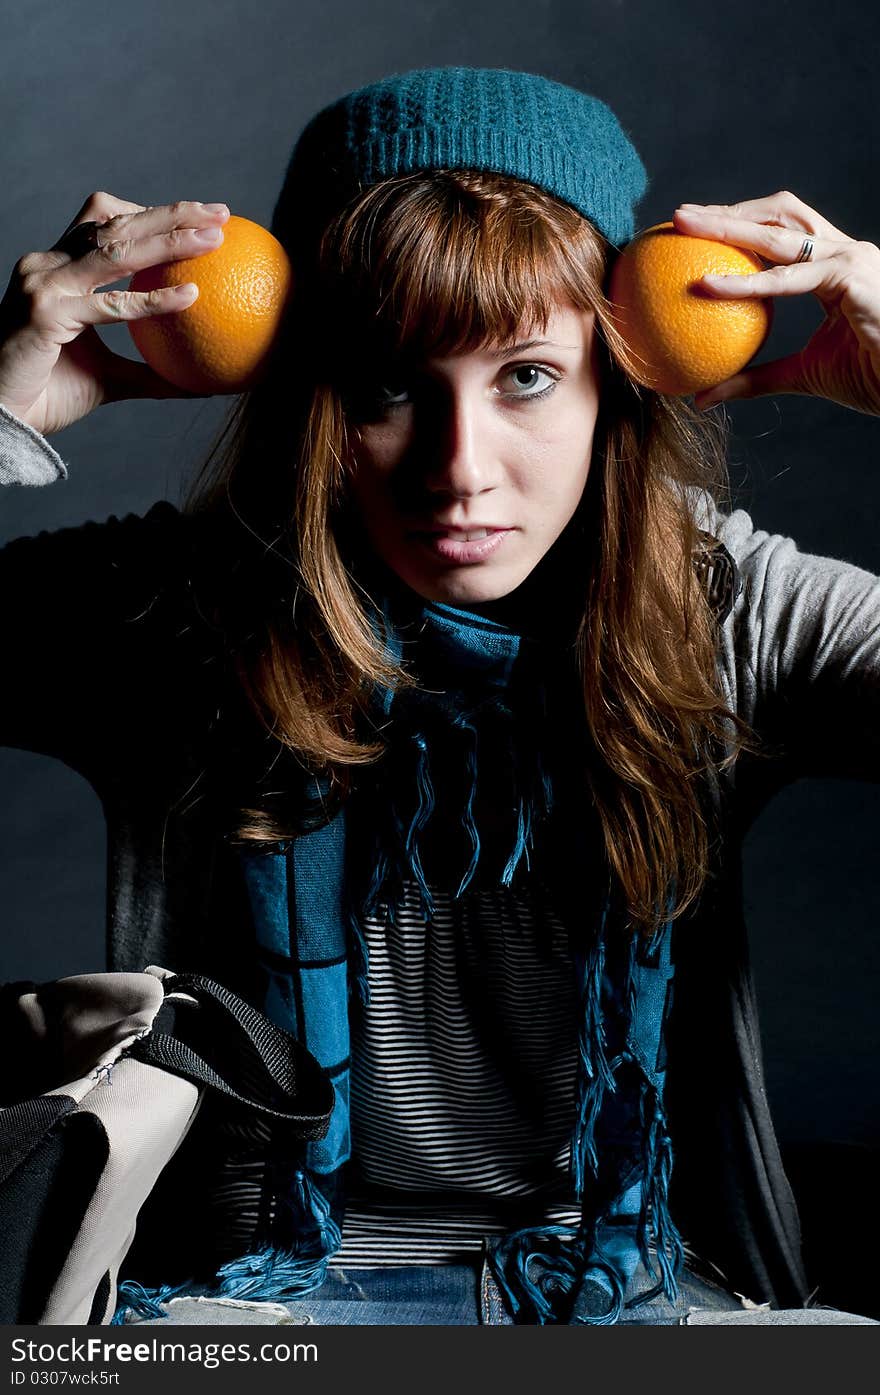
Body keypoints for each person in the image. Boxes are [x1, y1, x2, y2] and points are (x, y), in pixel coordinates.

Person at [1, 66, 878, 1327]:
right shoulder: (190, 611)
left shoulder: (730, 610)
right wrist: (0, 411)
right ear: (312, 395)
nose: (459, 472)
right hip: (257, 1303)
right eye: (388, 387)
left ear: (613, 380)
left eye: (525, 376)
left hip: (630, 1292)